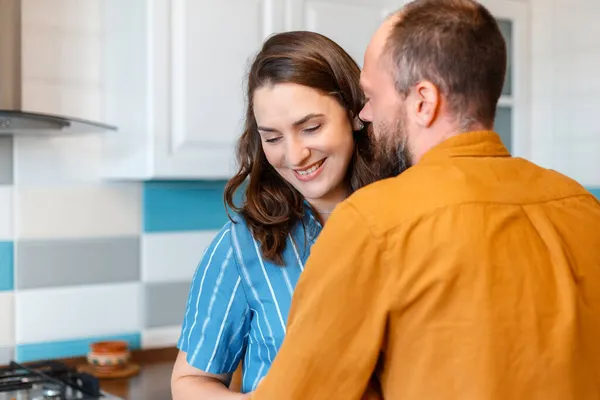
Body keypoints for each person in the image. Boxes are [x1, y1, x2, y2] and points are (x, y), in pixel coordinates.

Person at [249, 0, 600, 399]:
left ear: (423, 102)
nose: (364, 115)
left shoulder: (372, 222)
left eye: (372, 96)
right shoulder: (584, 209)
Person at [170, 31, 386, 399]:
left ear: (353, 113)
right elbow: (190, 382)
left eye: (311, 127)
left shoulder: (406, 219)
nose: (296, 154)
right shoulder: (243, 244)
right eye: (272, 138)